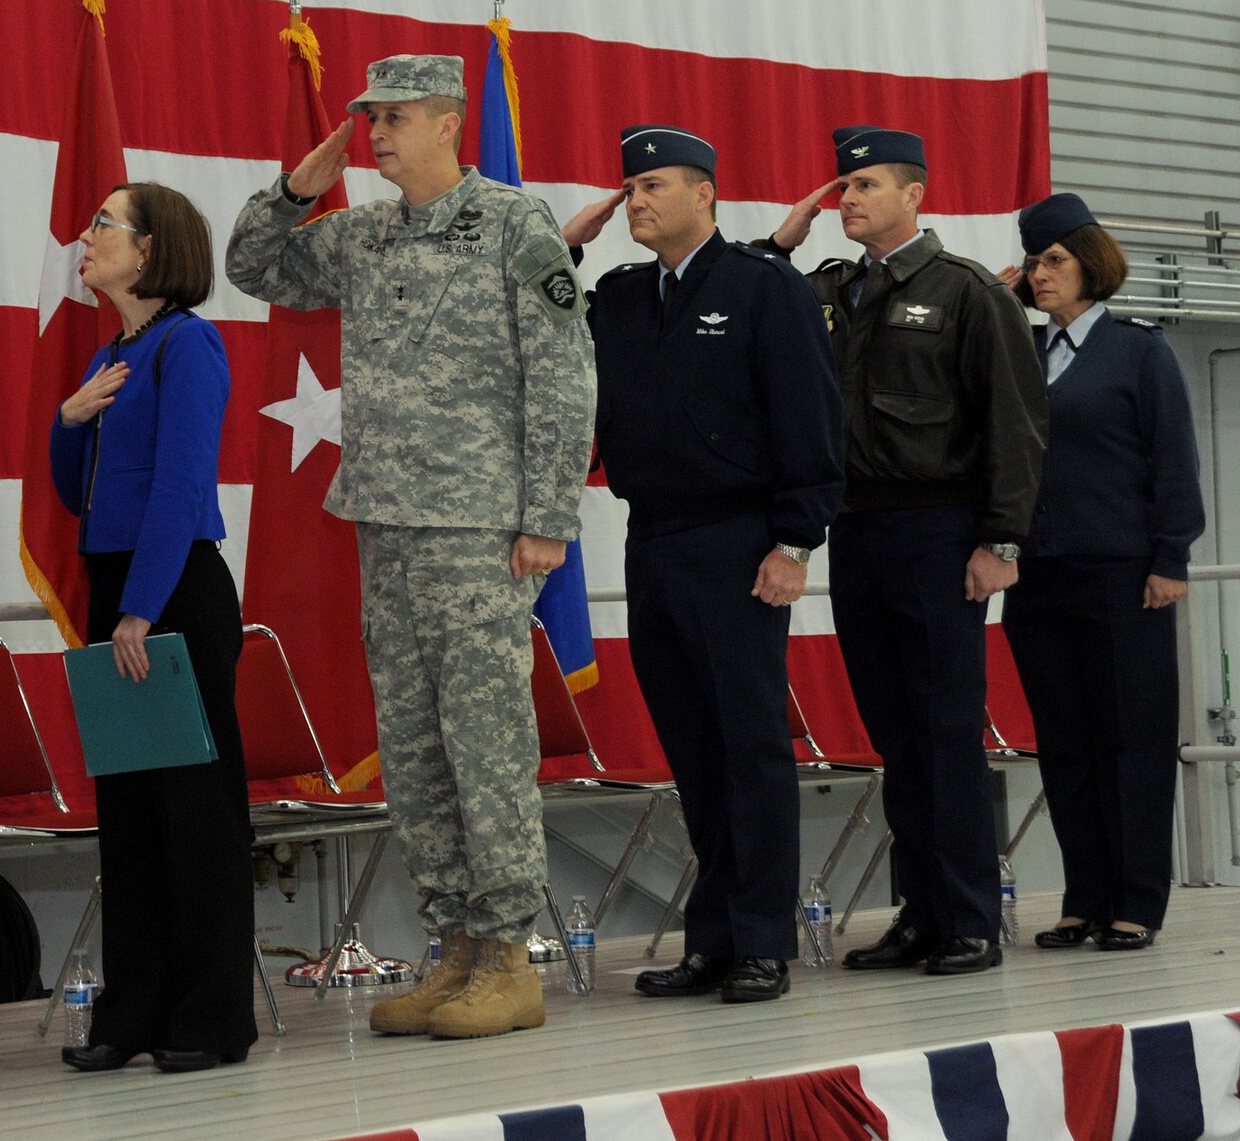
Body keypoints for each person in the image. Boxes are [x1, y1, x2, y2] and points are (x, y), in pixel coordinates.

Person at [227, 54, 595, 1040]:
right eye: (365, 118)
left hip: (478, 523)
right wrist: (297, 185)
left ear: (445, 121)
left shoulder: (514, 224)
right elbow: (253, 266)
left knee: (484, 737)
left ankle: (510, 955)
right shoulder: (359, 232)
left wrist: (547, 517)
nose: (373, 134)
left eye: (390, 118)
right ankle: (456, 947)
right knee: (417, 741)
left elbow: (562, 373)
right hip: (385, 519)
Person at [561, 126, 844, 1004]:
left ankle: (762, 940)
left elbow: (810, 418)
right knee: (693, 748)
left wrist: (795, 541)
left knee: (750, 747)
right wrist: (566, 242)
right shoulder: (619, 294)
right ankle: (713, 937)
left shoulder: (763, 289)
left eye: (654, 186)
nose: (637, 201)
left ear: (705, 194)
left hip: (740, 539)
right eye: (630, 188)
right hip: (655, 539)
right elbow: (538, 316)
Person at [760, 126, 1047, 977]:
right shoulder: (830, 290)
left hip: (938, 529)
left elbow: (1016, 424)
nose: (847, 199)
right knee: (895, 732)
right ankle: (920, 913)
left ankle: (967, 918)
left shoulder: (966, 293)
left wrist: (1002, 538)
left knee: (945, 729)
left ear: (915, 194)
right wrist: (779, 244)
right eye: (842, 188)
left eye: (867, 186)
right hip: (858, 529)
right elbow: (749, 302)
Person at [48, 181, 257, 1074]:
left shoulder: (188, 344)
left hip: (170, 595)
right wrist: (69, 421)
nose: (87, 236)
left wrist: (140, 605)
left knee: (196, 814)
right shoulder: (114, 353)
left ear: (151, 250)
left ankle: (211, 1018)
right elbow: (77, 497)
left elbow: (180, 486)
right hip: (119, 589)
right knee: (130, 814)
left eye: (105, 224)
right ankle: (130, 1014)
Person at [997, 193, 1203, 952]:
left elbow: (1173, 460)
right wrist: (997, 295)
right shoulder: (1023, 352)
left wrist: (1171, 554)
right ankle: (1084, 896)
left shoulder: (1137, 351)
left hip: (1123, 574)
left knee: (1133, 740)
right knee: (1066, 742)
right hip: (1041, 577)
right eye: (1034, 264)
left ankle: (1136, 900)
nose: (1041, 275)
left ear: (1092, 263)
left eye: (1054, 260)